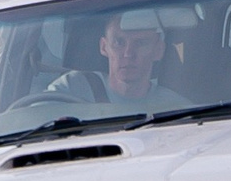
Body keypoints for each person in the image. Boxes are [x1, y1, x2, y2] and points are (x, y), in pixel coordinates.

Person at [46, 8, 190, 109]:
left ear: (158, 50)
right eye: (119, 42)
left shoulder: (175, 108)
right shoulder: (72, 87)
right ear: (104, 47)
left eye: (140, 43)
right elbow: (33, 118)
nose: (128, 53)